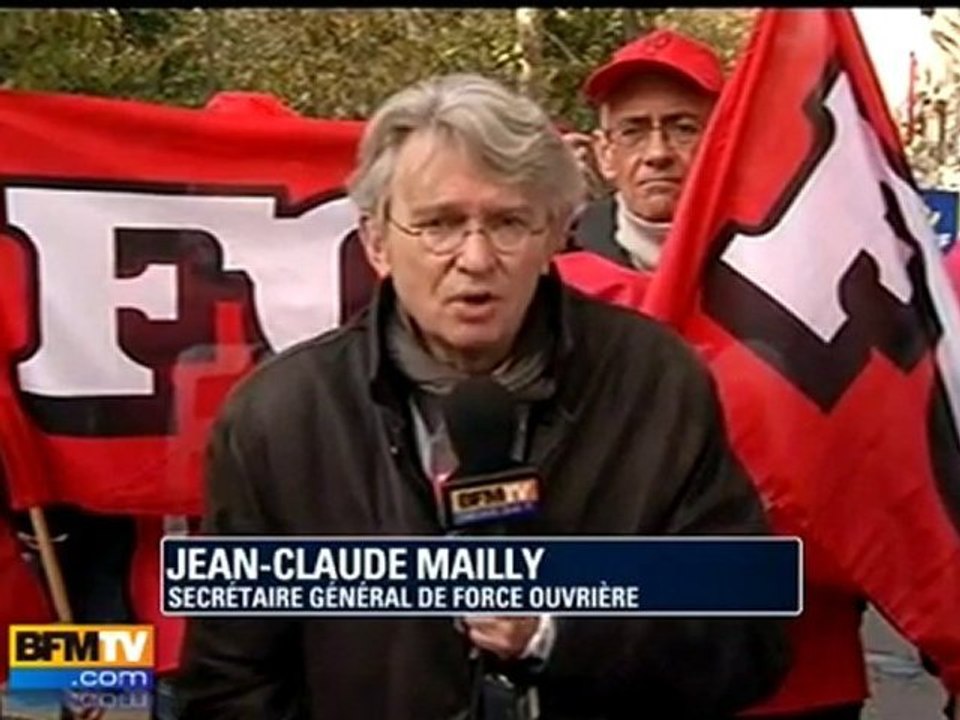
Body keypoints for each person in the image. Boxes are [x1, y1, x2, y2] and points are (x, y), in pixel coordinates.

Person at [177, 72, 789, 719]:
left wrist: (556, 629)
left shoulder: (654, 379)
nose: (474, 257)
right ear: (377, 241)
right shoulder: (279, 416)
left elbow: (749, 631)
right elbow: (229, 682)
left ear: (556, 233)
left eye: (507, 223)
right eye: (439, 224)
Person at [560, 27, 959, 720]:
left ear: (726, 142)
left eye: (683, 127)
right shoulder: (548, 292)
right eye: (633, 131)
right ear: (604, 154)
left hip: (802, 672)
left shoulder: (811, 280)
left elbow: (894, 445)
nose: (657, 151)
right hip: (618, 665)